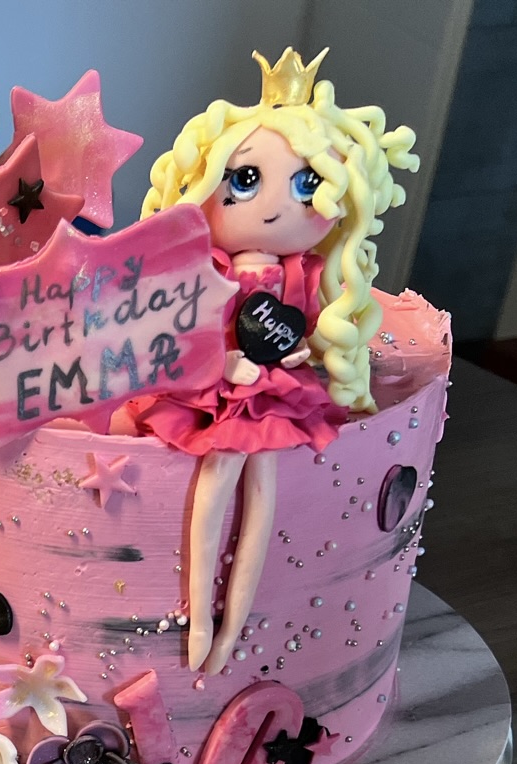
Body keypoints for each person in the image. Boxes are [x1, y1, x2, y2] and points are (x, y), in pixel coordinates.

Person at [123, 48, 417, 676]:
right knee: (219, 475)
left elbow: (304, 329)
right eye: (245, 180)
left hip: (280, 388)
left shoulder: (306, 277)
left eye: (307, 185)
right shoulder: (206, 269)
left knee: (263, 490)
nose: (275, 206)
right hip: (222, 385)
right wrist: (224, 361)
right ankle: (201, 618)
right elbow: (189, 326)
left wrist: (302, 348)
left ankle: (233, 624)